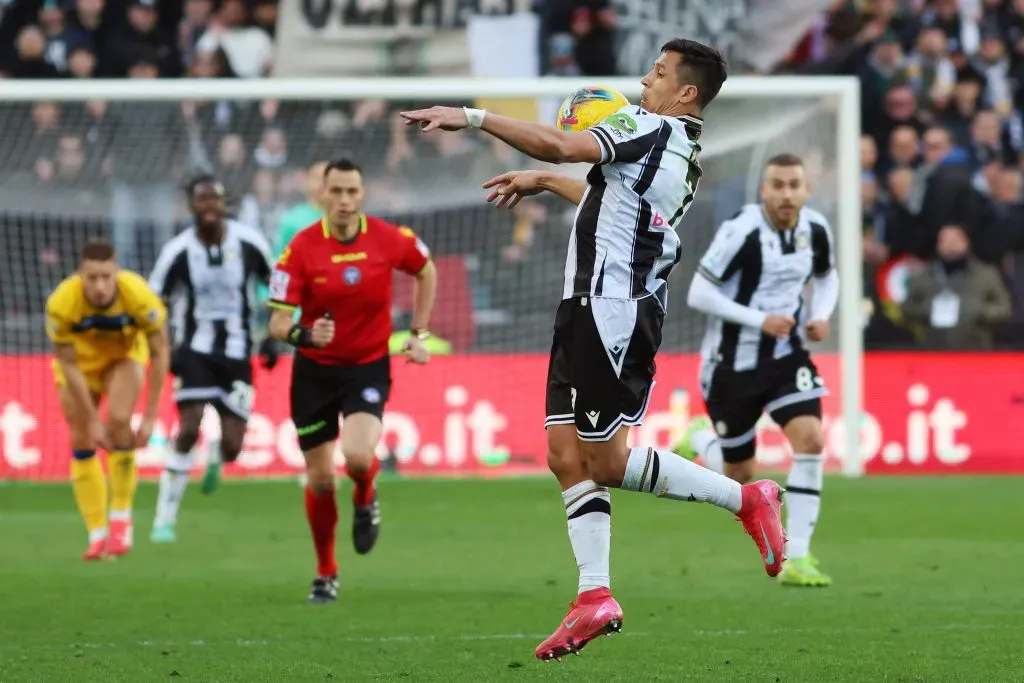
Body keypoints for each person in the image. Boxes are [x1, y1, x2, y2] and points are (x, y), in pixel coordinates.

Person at [400, 38, 786, 661]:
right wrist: (548, 180)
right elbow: (614, 202)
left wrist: (472, 117)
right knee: (563, 454)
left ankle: (746, 498)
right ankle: (593, 596)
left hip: (616, 308)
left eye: (658, 73)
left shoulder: (650, 125)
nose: (644, 79)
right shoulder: (677, 147)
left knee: (605, 462)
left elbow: (560, 143)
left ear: (686, 92)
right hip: (582, 304)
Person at [267, 158, 438, 604]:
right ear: (322, 194)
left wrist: (418, 333)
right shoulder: (300, 249)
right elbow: (277, 323)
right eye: (336, 192)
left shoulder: (388, 238)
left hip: (366, 365)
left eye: (352, 192)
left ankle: (366, 494)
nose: (344, 200)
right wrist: (304, 333)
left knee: (358, 457)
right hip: (313, 373)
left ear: (362, 195)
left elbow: (426, 269)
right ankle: (326, 571)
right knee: (321, 480)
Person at [673, 153, 839, 587]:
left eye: (794, 185)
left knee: (812, 440)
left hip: (786, 356)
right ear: (763, 190)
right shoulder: (741, 231)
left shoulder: (815, 229)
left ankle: (799, 555)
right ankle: (701, 440)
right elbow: (698, 293)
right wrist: (758, 319)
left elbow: (827, 276)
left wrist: (821, 314)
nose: (786, 194)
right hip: (732, 365)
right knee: (739, 474)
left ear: (806, 190)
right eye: (778, 185)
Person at [147, 175, 278, 543]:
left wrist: (272, 336)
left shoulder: (249, 242)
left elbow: (278, 284)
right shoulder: (178, 250)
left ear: (224, 204)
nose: (208, 206)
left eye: (214, 199)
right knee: (189, 427)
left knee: (235, 446)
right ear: (190, 206)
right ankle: (164, 519)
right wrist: (165, 348)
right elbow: (152, 301)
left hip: (238, 352)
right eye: (200, 199)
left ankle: (219, 456)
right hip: (194, 350)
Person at [44, 240, 170, 560]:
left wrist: (152, 414)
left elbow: (160, 351)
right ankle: (96, 532)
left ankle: (120, 518)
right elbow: (67, 363)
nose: (99, 286)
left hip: (122, 360)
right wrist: (90, 420)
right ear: (79, 276)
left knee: (118, 420)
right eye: (92, 278)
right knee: (82, 437)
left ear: (117, 273)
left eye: (105, 277)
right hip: (80, 369)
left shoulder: (138, 296)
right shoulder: (61, 304)